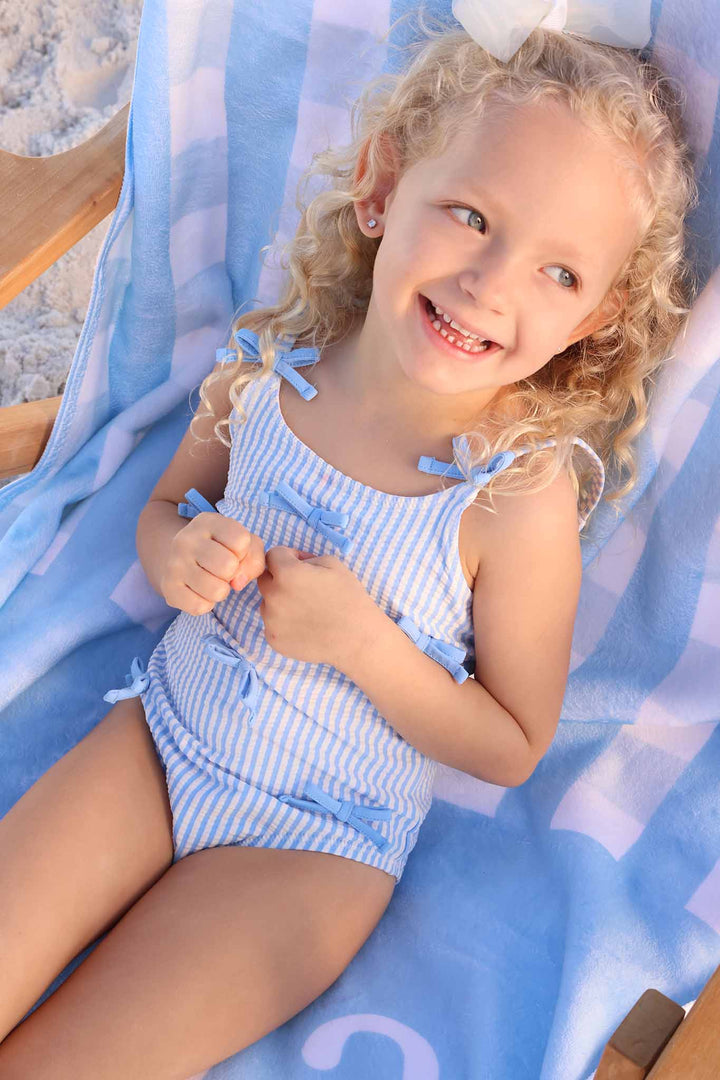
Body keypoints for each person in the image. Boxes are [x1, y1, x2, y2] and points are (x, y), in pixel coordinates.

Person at [0, 10, 699, 1076]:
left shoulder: (512, 498)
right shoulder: (274, 372)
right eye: (470, 215)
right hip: (158, 740)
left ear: (597, 319)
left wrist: (364, 644)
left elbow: (511, 739)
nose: (493, 283)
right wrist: (174, 555)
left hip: (311, 852)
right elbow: (166, 507)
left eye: (560, 274)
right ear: (381, 189)